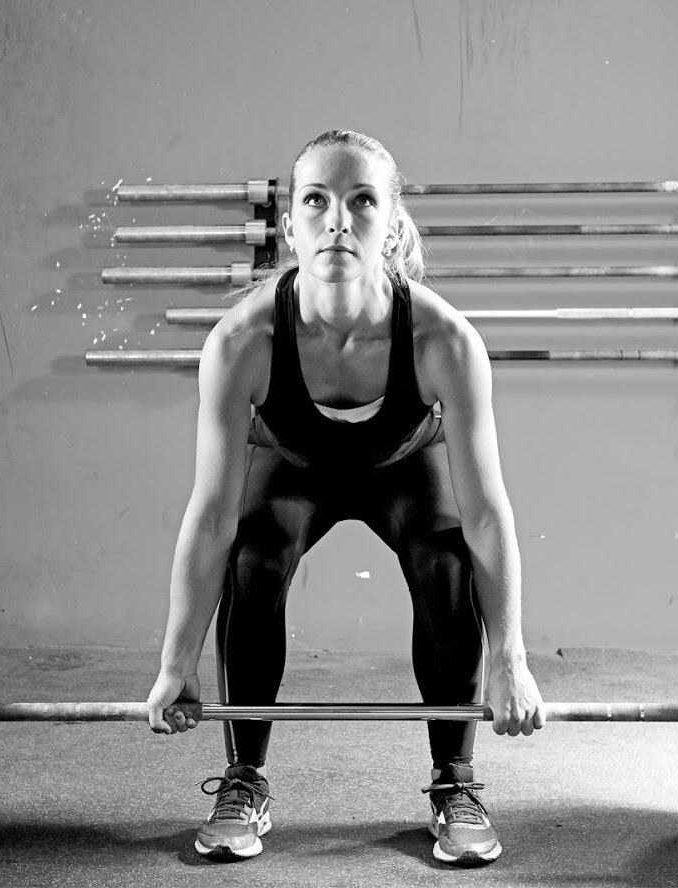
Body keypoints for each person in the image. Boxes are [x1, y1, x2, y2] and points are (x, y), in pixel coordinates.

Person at [144, 129, 545, 867]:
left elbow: (487, 514)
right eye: (317, 200)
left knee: (447, 560)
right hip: (291, 466)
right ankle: (244, 777)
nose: (337, 219)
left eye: (361, 200)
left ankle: (455, 780)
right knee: (252, 558)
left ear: (391, 222)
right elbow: (210, 517)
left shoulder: (444, 341)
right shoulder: (243, 341)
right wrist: (177, 662)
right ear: (290, 222)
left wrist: (510, 657)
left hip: (404, 467)